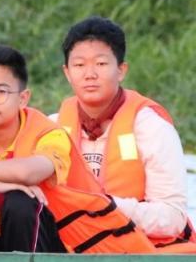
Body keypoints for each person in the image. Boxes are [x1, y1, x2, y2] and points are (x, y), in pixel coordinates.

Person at [53, 16, 193, 249]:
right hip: (74, 246)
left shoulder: (152, 128)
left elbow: (172, 218)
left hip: (141, 249)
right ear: (67, 73)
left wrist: (106, 208)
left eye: (101, 64)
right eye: (79, 65)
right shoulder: (53, 126)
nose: (90, 74)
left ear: (121, 70)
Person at [0, 45, 67, 252]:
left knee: (21, 201)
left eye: (0, 92)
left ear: (22, 99)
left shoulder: (49, 133)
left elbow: (28, 173)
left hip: (53, 241)